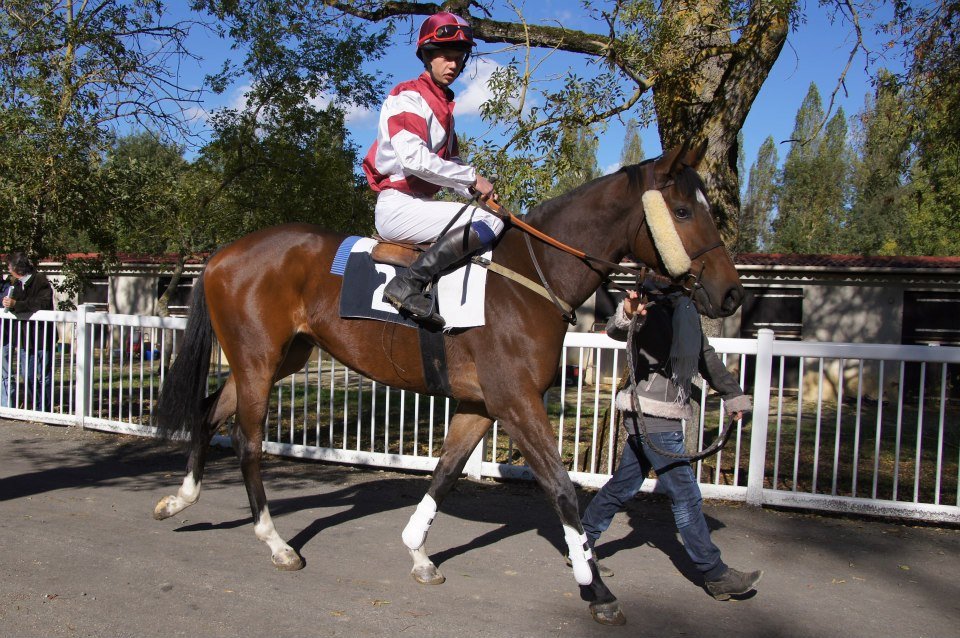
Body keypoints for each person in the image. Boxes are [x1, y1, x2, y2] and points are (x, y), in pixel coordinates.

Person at [578, 289, 763, 600]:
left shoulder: (686, 312)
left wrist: (732, 395)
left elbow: (705, 356)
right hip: (654, 418)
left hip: (650, 417)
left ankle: (581, 545)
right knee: (686, 496)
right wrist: (628, 313)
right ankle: (715, 573)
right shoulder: (651, 306)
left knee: (622, 485)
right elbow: (618, 330)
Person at [363, 11, 502, 328]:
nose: (453, 65)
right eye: (446, 56)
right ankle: (407, 284)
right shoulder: (408, 96)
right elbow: (414, 159)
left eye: (459, 58)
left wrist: (475, 189)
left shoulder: (444, 109)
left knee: (492, 215)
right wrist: (472, 178)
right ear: (427, 55)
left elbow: (451, 166)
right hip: (398, 206)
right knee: (489, 222)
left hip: (418, 205)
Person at [2, 252, 56, 411]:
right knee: (27, 376)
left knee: (44, 376)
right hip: (25, 339)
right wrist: (9, 303)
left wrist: (16, 304)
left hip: (42, 337)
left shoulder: (40, 280)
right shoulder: (17, 284)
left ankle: (44, 409)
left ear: (17, 268)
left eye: (9, 267)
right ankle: (37, 407)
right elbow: (15, 305)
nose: (8, 270)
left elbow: (42, 303)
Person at [0, 275, 13, 408]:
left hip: (3, 337)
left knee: (5, 374)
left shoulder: (8, 288)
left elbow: (5, 306)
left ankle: (6, 407)